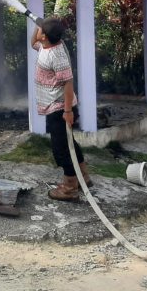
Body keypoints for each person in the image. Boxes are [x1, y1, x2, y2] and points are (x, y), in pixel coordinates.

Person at [31, 16, 91, 201]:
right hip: (54, 107)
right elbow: (33, 42)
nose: (38, 32)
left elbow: (68, 83)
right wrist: (38, 26)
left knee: (61, 149)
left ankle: (69, 186)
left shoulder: (56, 55)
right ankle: (84, 178)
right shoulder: (46, 46)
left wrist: (67, 111)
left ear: (45, 36)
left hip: (60, 109)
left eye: (41, 30)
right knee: (70, 143)